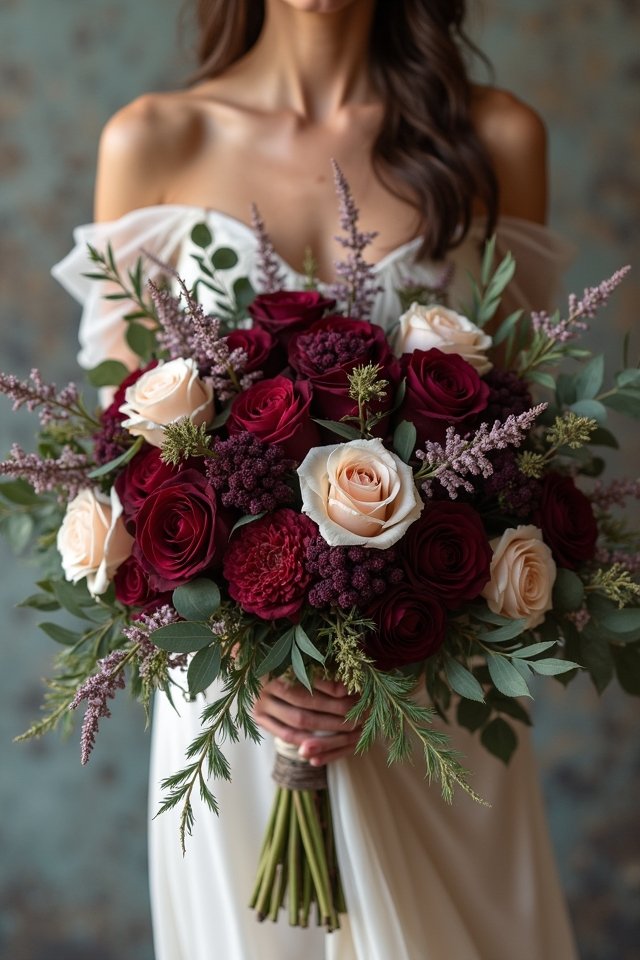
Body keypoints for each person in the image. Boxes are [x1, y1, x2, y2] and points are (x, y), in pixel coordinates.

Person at [52, 2, 579, 957]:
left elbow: (518, 439)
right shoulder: (152, 139)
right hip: (237, 711)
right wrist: (234, 652)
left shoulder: (495, 136)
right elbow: (126, 469)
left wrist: (419, 597)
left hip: (429, 681)